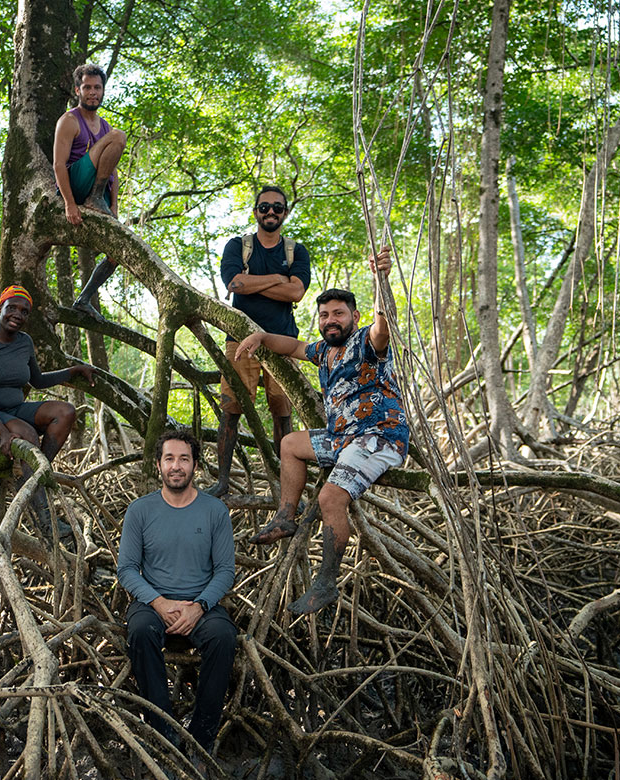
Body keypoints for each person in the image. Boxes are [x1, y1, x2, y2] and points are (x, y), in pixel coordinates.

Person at [235, 247, 408, 614]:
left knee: (331, 498)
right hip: (343, 438)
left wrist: (382, 280)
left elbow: (383, 327)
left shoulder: (365, 342)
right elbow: (295, 345)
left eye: (339, 314)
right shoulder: (324, 351)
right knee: (291, 443)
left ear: (354, 317)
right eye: (325, 314)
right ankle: (285, 516)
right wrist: (262, 338)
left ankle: (327, 583)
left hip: (377, 437)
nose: (331, 320)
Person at [117, 430, 237, 757]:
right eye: (169, 458)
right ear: (158, 465)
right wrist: (158, 602)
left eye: (184, 459)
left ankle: (201, 738)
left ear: (195, 466)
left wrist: (198, 606)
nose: (176, 466)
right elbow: (126, 568)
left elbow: (226, 569)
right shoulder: (139, 511)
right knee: (140, 632)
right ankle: (163, 731)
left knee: (224, 637)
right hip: (153, 602)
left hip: (201, 605)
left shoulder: (214, 512)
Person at [208, 185, 312, 497]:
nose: (270, 212)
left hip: (283, 343)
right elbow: (234, 283)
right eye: (264, 207)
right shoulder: (238, 246)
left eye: (277, 208)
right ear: (256, 211)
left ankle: (286, 485)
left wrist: (252, 284)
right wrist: (279, 279)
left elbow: (297, 293)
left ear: (285, 213)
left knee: (282, 412)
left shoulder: (296, 251)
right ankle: (223, 481)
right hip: (240, 340)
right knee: (231, 408)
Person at [0, 285, 95, 460]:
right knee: (27, 432)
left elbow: (37, 380)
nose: (18, 314)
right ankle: (34, 482)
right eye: (11, 308)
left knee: (66, 412)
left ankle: (40, 473)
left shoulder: (25, 342)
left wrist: (73, 371)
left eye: (24, 311)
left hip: (15, 411)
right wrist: (3, 433)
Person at [53, 62, 128, 321]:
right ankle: (94, 196)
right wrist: (69, 204)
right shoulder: (69, 121)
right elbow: (58, 165)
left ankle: (84, 298)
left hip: (99, 189)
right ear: (78, 90)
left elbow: (114, 172)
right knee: (120, 136)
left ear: (103, 90)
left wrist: (114, 207)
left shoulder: (104, 126)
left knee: (118, 249)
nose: (93, 92)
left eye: (97, 87)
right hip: (77, 182)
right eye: (87, 87)